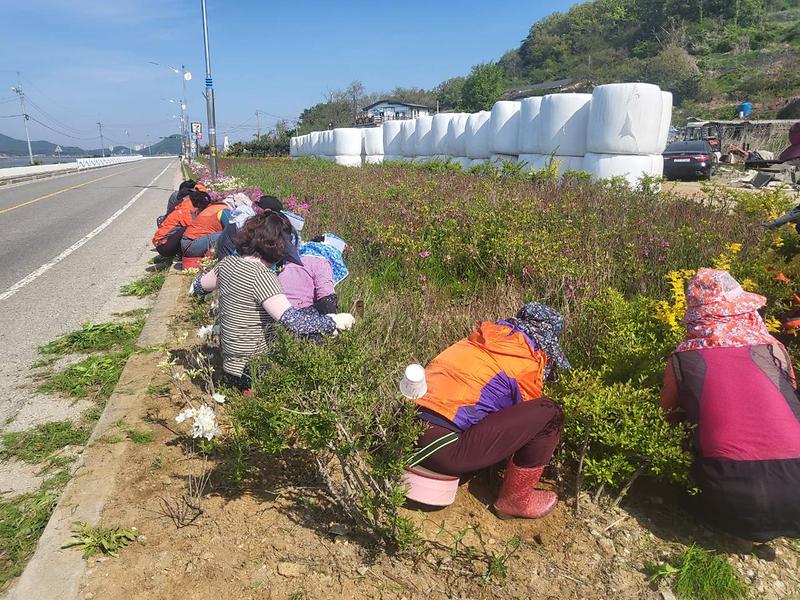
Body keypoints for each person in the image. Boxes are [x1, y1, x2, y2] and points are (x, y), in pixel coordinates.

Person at [661, 268, 800, 543]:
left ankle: (738, 527)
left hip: (729, 499)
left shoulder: (682, 359)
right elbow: (791, 396)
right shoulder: (775, 351)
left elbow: (666, 414)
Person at [408, 303, 569, 519]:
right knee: (550, 412)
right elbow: (524, 428)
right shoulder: (526, 359)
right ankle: (515, 500)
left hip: (405, 431)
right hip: (444, 451)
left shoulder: (479, 340)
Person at [190, 210, 356, 390]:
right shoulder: (263, 277)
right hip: (253, 370)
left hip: (230, 363)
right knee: (314, 326)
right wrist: (334, 321)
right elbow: (295, 323)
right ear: (279, 248)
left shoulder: (227, 263)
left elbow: (197, 287)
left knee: (308, 316)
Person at [216, 195, 283, 261]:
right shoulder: (247, 221)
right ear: (267, 211)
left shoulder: (245, 212)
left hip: (225, 255)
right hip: (230, 259)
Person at [152, 189, 211, 257]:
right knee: (189, 229)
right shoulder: (186, 211)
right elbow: (195, 227)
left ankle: (180, 253)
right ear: (199, 205)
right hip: (163, 245)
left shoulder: (186, 205)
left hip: (163, 242)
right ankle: (182, 254)